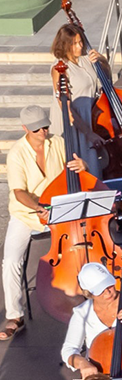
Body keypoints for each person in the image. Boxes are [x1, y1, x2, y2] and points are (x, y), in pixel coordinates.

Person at [1, 105, 86, 342]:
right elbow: (19, 193)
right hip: (26, 213)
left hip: (58, 210)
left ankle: (87, 295)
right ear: (25, 129)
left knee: (82, 241)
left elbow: (75, 171)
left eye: (46, 125)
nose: (43, 131)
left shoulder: (57, 142)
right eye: (38, 128)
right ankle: (15, 316)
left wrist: (82, 168)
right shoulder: (17, 152)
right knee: (10, 261)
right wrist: (39, 208)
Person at [49, 23, 105, 176]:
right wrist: (88, 133)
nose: (80, 46)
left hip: (89, 116)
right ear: (65, 45)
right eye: (74, 43)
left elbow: (106, 80)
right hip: (75, 122)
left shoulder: (85, 60)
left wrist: (103, 60)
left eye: (81, 42)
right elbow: (65, 107)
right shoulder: (59, 68)